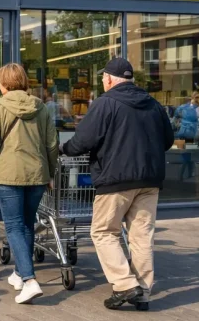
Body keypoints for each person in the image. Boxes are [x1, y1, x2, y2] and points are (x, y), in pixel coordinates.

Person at [60, 58, 173, 311]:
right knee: (142, 236)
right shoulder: (153, 104)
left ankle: (124, 284)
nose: (102, 82)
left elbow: (82, 141)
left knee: (103, 231)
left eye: (103, 78)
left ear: (110, 79)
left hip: (116, 179)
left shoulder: (106, 103)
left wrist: (64, 149)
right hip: (149, 179)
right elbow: (167, 140)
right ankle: (143, 292)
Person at [0, 63, 58, 303]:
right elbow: (52, 144)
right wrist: (51, 173)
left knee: (14, 226)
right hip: (37, 174)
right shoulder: (42, 107)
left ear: (4, 83)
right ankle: (17, 273)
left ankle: (29, 279)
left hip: (8, 174)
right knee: (26, 224)